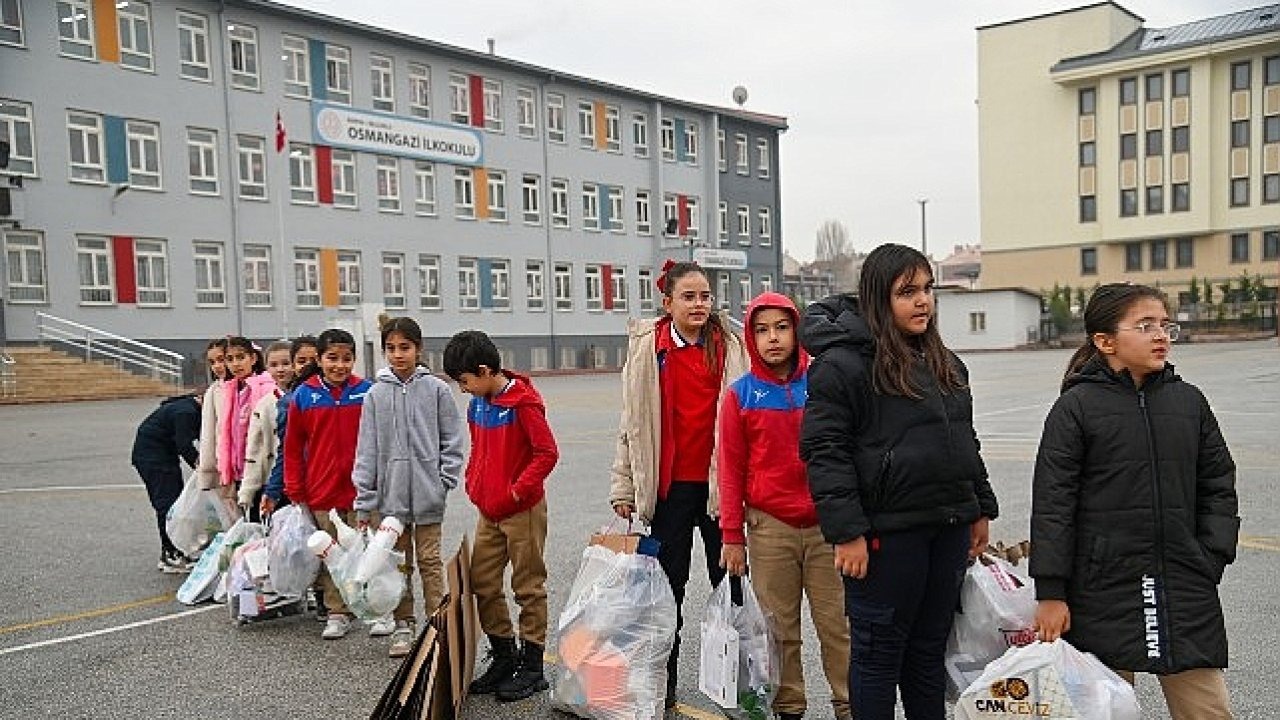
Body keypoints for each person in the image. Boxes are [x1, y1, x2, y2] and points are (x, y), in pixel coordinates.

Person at [799, 243, 998, 720]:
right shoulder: (842, 364)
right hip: (885, 537)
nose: (923, 301)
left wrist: (979, 507)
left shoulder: (945, 361)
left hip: (946, 525)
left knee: (928, 652)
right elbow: (825, 453)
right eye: (907, 291)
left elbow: (964, 440)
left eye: (927, 289)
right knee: (877, 656)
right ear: (878, 298)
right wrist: (847, 533)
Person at [1031, 283, 1238, 720]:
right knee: (1103, 709)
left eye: (1164, 325)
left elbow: (1219, 482)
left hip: (1184, 585)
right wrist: (1051, 591)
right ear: (1105, 341)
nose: (1160, 334)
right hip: (1102, 588)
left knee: (1208, 710)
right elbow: (1053, 503)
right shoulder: (1076, 408)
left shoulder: (1189, 402)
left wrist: (1211, 555)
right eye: (1145, 326)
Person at [608, 260, 750, 708]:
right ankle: (661, 687)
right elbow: (632, 423)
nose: (699, 304)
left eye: (705, 296)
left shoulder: (731, 345)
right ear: (666, 303)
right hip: (668, 491)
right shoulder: (649, 349)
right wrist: (625, 486)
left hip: (718, 489)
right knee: (666, 595)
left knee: (730, 591)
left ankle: (737, 687)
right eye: (688, 297)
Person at [718, 291, 851, 720]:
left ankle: (850, 705)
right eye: (761, 330)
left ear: (797, 331)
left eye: (781, 327)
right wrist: (731, 536)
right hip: (770, 528)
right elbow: (731, 471)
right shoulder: (739, 396)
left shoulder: (824, 383)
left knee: (839, 628)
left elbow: (850, 452)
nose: (772, 338)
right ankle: (789, 707)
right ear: (750, 339)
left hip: (828, 527)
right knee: (778, 632)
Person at [443, 329, 558, 702]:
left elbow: (546, 454)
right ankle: (505, 656)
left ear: (483, 370)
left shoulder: (523, 404)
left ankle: (533, 667)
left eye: (464, 381)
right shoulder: (479, 401)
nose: (463, 389)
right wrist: (474, 483)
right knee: (483, 583)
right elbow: (479, 448)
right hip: (488, 512)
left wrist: (515, 492)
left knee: (527, 586)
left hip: (521, 511)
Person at [353, 317, 465, 658]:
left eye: (405, 347)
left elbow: (453, 439)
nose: (398, 354)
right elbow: (366, 449)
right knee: (399, 563)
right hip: (390, 502)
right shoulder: (375, 394)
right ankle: (404, 625)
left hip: (430, 495)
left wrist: (444, 478)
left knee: (430, 561)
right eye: (391, 348)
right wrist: (365, 498)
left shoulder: (437, 390)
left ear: (418, 349)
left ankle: (437, 625)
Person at [283, 328, 371, 640]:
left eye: (347, 358)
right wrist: (295, 488)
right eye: (332, 358)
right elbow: (292, 448)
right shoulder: (304, 395)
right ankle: (337, 611)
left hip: (362, 490)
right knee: (332, 555)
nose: (339, 365)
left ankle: (373, 606)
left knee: (367, 551)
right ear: (319, 360)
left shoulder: (367, 391)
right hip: (321, 491)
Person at [131, 390, 203, 572]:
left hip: (162, 456)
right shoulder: (187, 412)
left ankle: (176, 549)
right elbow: (185, 444)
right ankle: (170, 554)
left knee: (174, 504)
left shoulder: (189, 407)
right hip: (153, 459)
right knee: (167, 505)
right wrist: (201, 467)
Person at [259, 335, 319, 518]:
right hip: (307, 486)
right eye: (302, 361)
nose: (309, 365)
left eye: (313, 360)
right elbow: (287, 450)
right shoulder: (289, 402)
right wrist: (273, 490)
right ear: (294, 365)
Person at [238, 341, 293, 517]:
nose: (280, 369)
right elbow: (254, 448)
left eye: (286, 363)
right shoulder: (264, 404)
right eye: (274, 365)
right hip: (273, 478)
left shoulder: (305, 397)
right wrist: (248, 489)